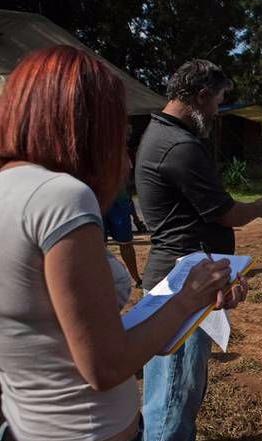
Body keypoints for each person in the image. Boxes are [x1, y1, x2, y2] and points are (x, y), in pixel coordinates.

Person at [0, 45, 240, 441]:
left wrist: (183, 308)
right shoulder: (60, 197)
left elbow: (66, 334)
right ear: (83, 124)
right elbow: (105, 365)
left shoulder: (11, 188)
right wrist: (188, 298)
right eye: (118, 129)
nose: (126, 156)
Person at [136, 59, 262, 441]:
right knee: (172, 396)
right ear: (200, 96)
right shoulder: (179, 146)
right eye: (217, 101)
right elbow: (226, 213)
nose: (217, 111)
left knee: (178, 390)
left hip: (180, 279)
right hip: (181, 284)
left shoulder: (162, 135)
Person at [104, 187, 142, 287]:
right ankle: (102, 280)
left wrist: (136, 218)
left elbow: (124, 181)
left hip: (119, 201)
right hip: (95, 201)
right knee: (99, 247)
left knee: (126, 244)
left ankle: (136, 279)